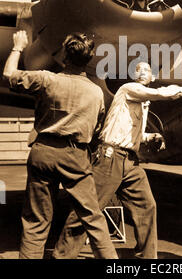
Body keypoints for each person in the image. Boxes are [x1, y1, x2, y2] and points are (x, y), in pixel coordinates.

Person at [53, 61, 182, 259]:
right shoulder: (128, 89)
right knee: (89, 209)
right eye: (138, 69)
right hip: (109, 157)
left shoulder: (142, 102)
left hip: (130, 161)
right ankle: (61, 256)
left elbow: (132, 134)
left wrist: (151, 137)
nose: (141, 72)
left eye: (146, 70)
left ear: (152, 77)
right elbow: (163, 93)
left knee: (147, 206)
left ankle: (147, 258)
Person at [3, 30, 118, 259]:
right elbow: (96, 129)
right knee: (93, 219)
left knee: (36, 220)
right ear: (89, 58)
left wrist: (17, 46)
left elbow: (9, 75)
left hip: (42, 151)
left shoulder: (47, 79)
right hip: (76, 155)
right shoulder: (97, 93)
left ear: (65, 54)